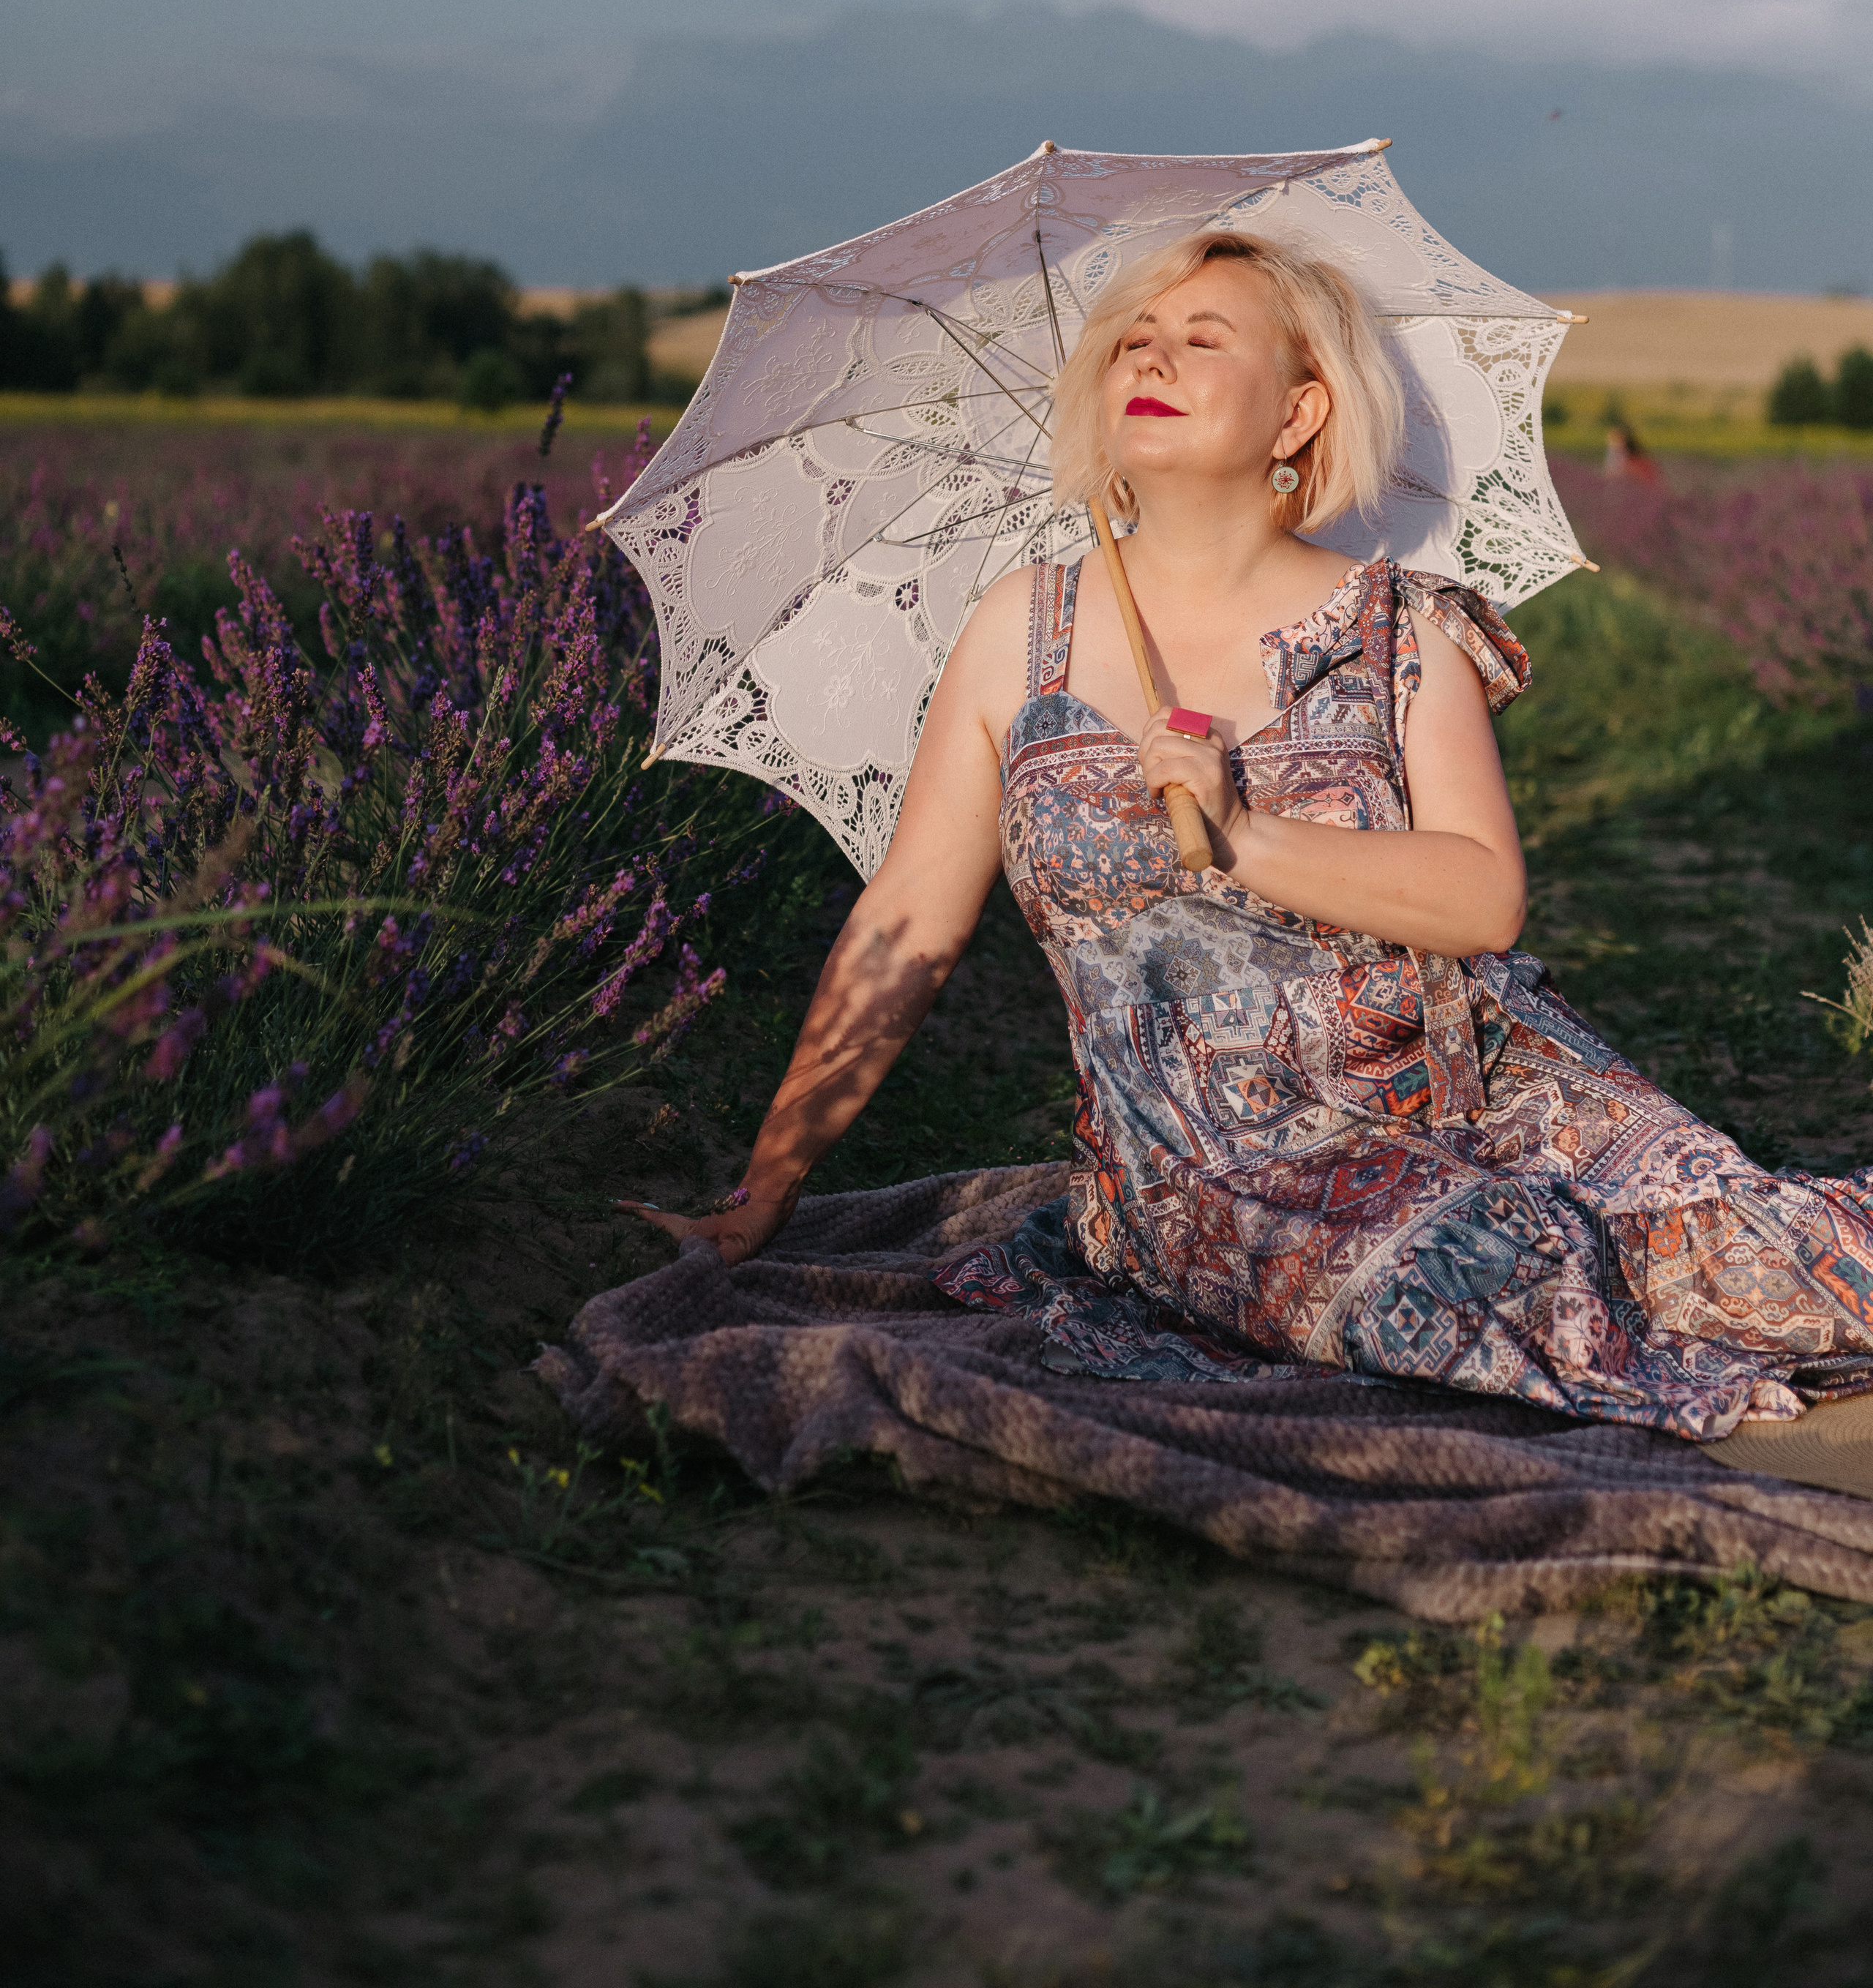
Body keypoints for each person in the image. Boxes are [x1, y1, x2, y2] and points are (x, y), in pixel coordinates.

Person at [623, 233, 1873, 1439]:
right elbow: (908, 920)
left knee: (1781, 1259)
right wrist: (769, 1185)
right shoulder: (1023, 629)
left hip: (1491, 1090)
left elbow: (1484, 900)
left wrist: (1243, 836)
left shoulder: (1398, 630)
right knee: (1481, 1282)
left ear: (1298, 416)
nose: (1150, 362)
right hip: (1214, 1169)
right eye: (1133, 342)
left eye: (1202, 338)